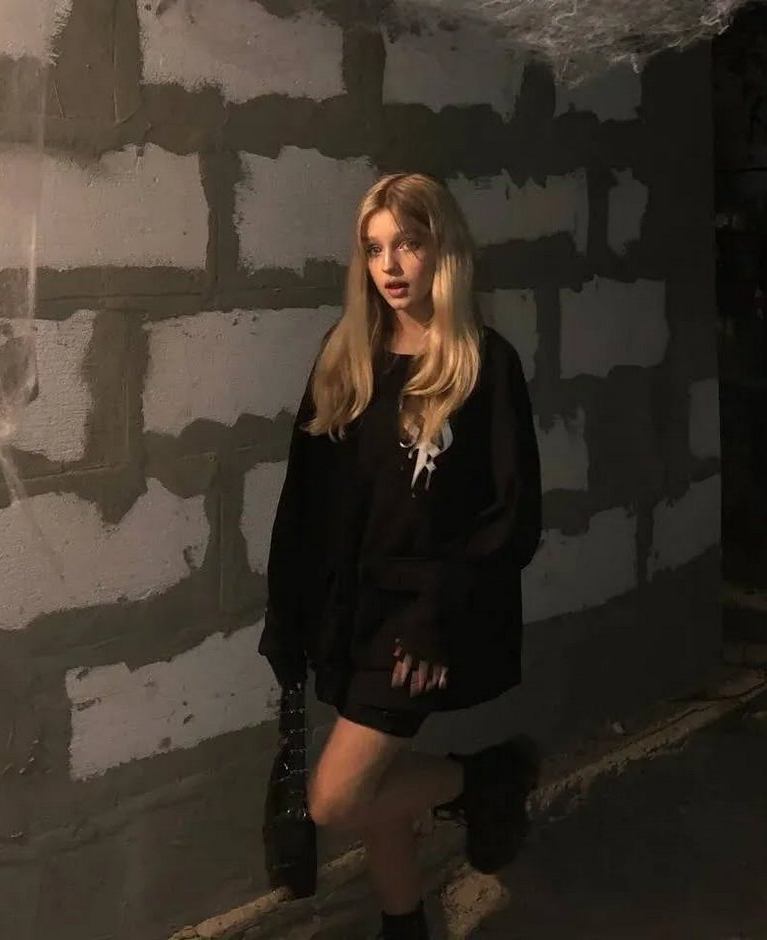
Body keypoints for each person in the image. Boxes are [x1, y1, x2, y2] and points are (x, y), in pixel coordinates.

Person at [258, 172, 543, 940]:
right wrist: (287, 615)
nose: (390, 265)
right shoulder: (344, 354)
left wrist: (432, 618)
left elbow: (513, 518)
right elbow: (303, 503)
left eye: (408, 244)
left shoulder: (485, 364)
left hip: (417, 620)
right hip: (350, 611)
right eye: (375, 248)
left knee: (336, 798)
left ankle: (484, 778)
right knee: (379, 783)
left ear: (442, 249)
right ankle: (403, 924)